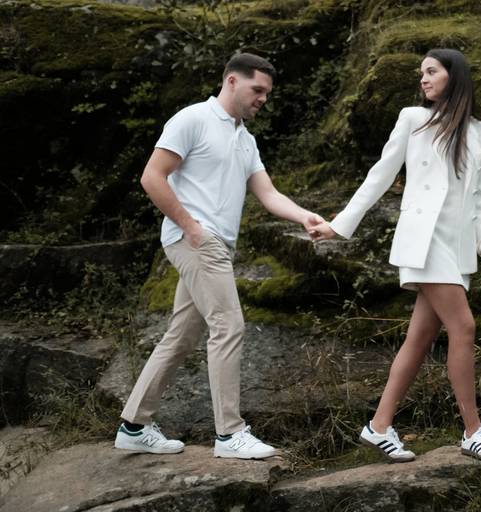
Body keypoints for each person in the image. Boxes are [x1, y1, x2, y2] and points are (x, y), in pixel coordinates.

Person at [114, 53, 324, 459]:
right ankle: (230, 434)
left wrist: (303, 216)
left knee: (182, 336)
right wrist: (191, 226)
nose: (263, 99)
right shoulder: (193, 119)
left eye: (267, 93)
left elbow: (268, 193)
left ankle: (134, 426)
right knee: (228, 326)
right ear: (231, 81)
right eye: (257, 89)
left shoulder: (246, 140)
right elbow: (151, 177)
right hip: (197, 239)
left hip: (217, 245)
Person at [312, 48, 481, 462]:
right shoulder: (413, 119)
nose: (423, 79)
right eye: (422, 73)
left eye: (431, 71)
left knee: (419, 339)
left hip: (457, 247)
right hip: (424, 240)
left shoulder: (479, 131)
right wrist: (339, 224)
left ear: (454, 76)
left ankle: (379, 425)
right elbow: (379, 175)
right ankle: (473, 431)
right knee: (464, 327)